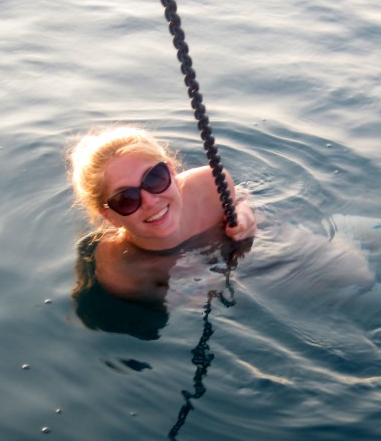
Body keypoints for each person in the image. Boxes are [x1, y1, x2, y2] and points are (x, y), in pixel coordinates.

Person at [68, 126, 256, 315]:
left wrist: (244, 211)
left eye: (155, 179)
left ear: (172, 172)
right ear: (109, 216)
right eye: (126, 199)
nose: (150, 202)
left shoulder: (210, 185)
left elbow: (242, 197)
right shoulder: (124, 275)